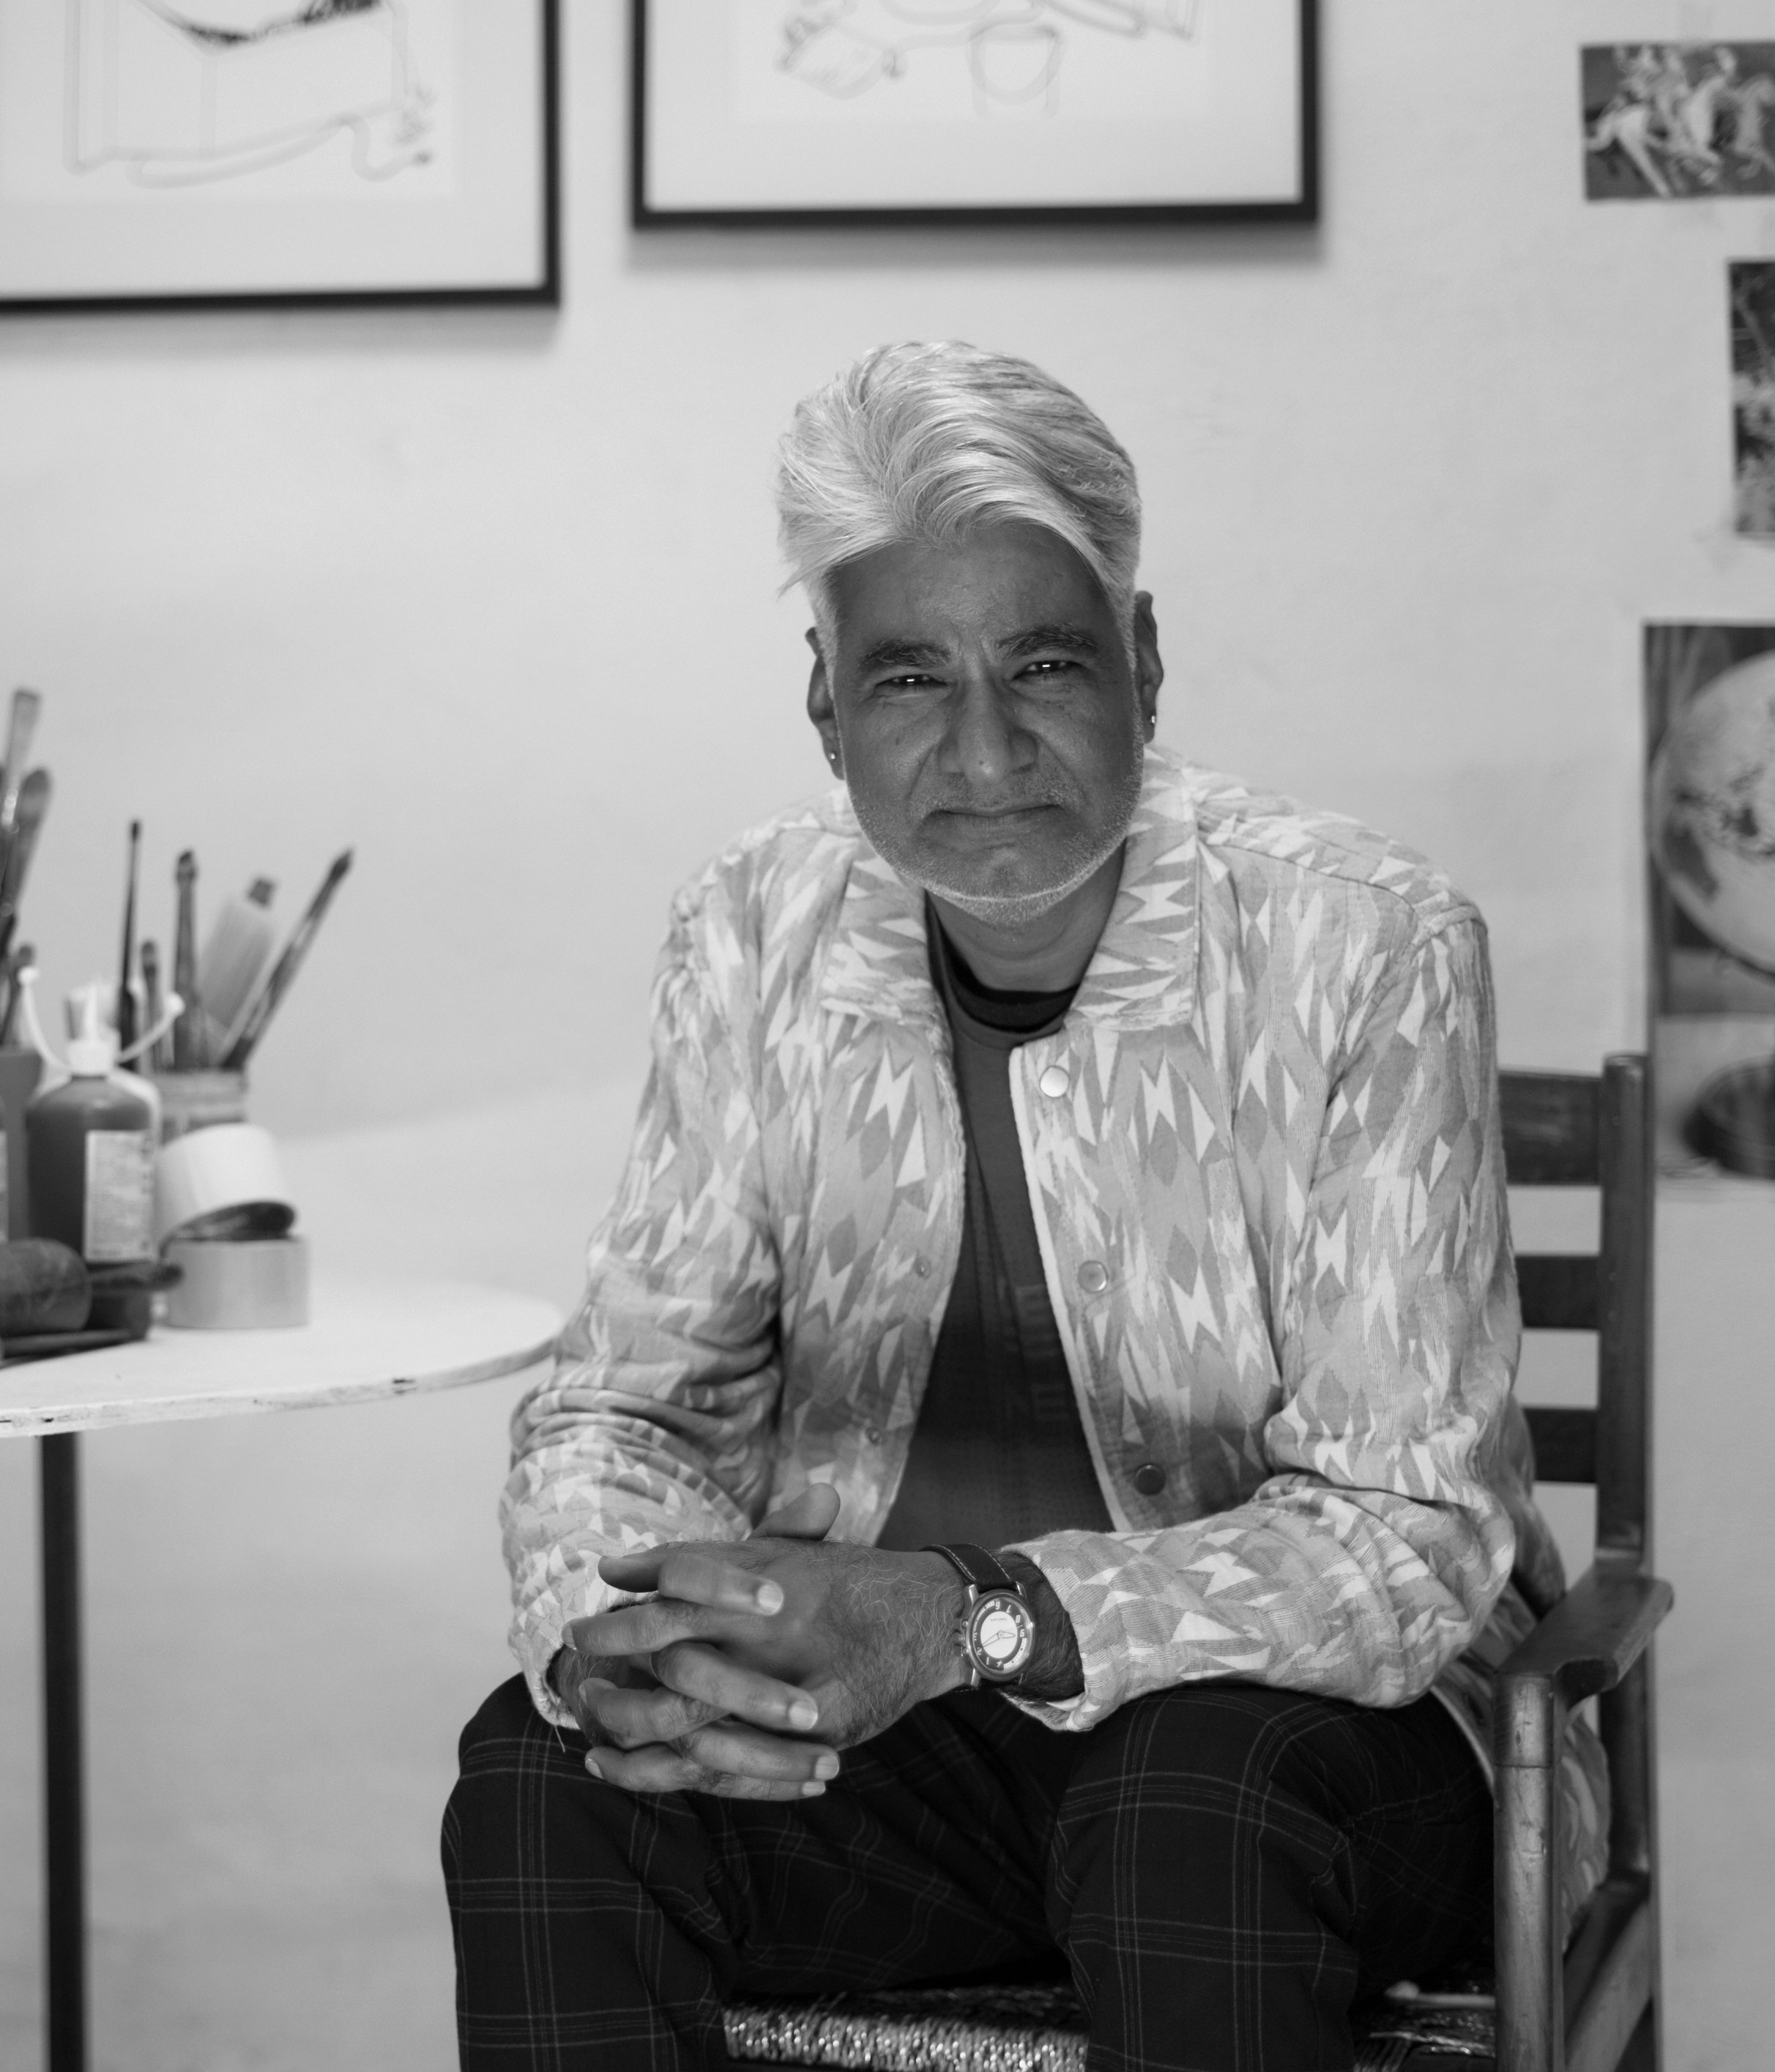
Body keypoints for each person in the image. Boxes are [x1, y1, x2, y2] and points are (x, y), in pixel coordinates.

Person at [442, 342, 1607, 2071]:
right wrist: (621, 1637)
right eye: (909, 676)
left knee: (1181, 1799)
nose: (983, 749)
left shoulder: (1362, 942)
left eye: (1043, 662)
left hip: (1330, 1748)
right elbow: (625, 1406)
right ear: (826, 704)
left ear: (1142, 660)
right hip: (909, 1753)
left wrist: (972, 1611)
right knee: (546, 1771)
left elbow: (1403, 1533)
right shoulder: (752, 932)